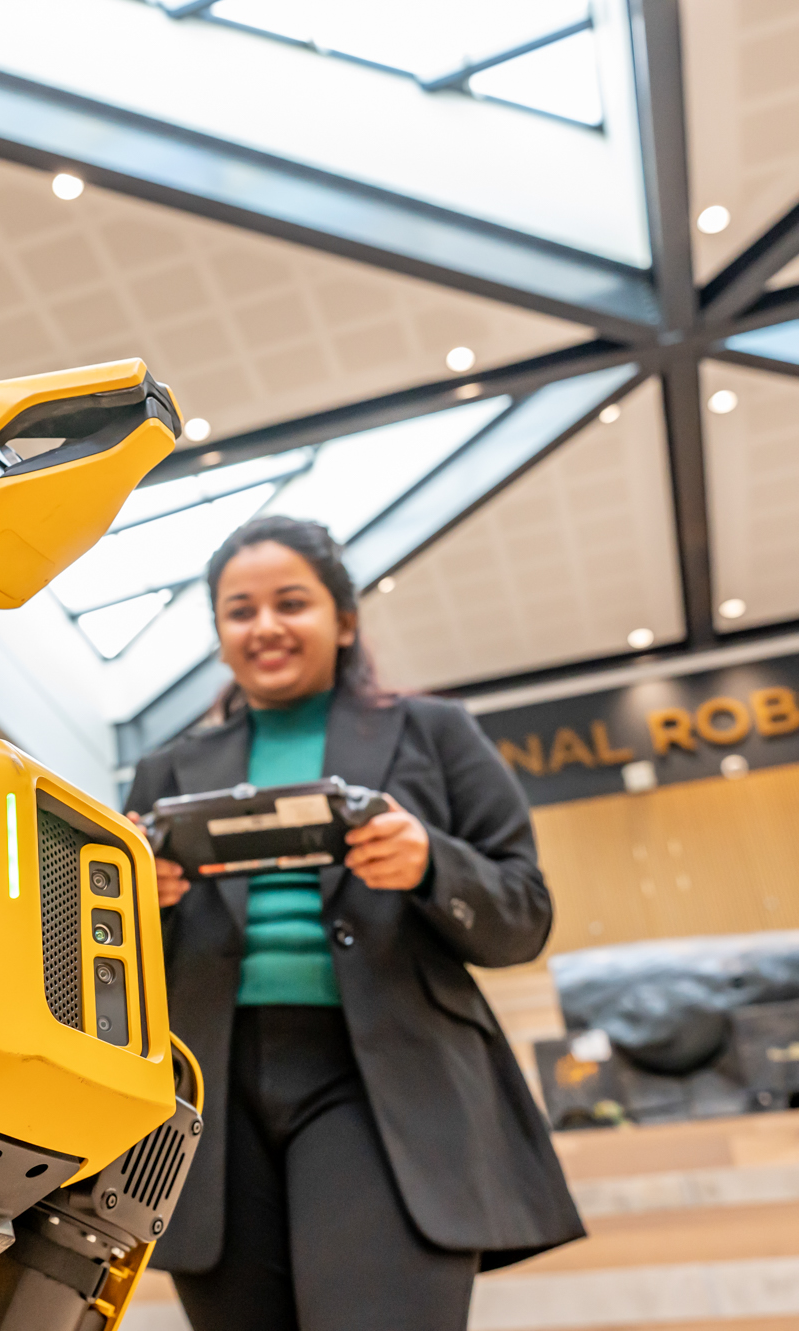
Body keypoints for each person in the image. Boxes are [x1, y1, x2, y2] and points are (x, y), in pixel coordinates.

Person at [124, 515, 582, 1331]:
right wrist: (130, 902)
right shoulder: (166, 769)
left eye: (290, 602)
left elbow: (524, 914)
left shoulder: (435, 733)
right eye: (239, 610)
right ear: (221, 634)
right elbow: (109, 960)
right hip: (205, 1100)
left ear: (344, 619)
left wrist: (432, 863)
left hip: (386, 1082)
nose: (264, 625)